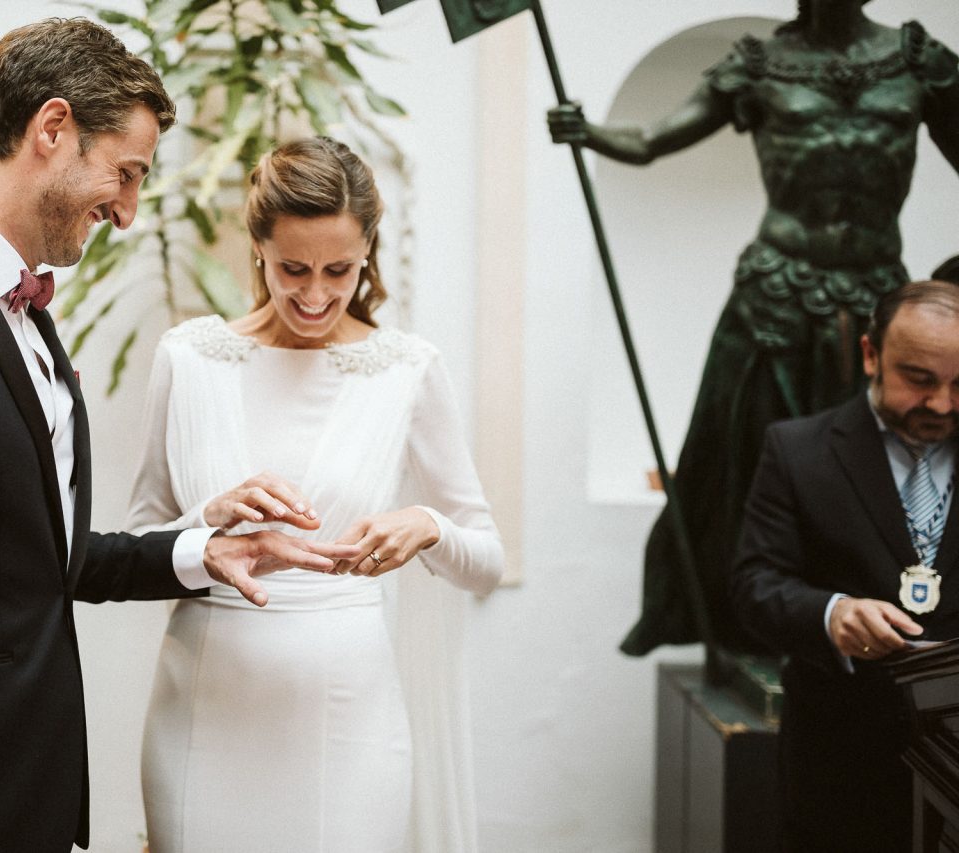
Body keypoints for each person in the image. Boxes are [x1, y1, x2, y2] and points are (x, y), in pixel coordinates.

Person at [0, 20, 357, 853]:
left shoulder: (26, 315)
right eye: (126, 173)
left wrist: (199, 549)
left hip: (26, 798)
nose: (126, 211)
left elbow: (35, 561)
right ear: (53, 129)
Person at [125, 136, 504, 852]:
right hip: (205, 707)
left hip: (348, 719)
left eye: (340, 269)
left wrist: (427, 523)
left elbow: (484, 558)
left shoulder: (406, 371)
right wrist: (208, 521)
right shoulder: (189, 358)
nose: (316, 293)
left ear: (367, 255)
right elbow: (136, 544)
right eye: (293, 269)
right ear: (258, 248)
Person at [548, 0, 959, 656]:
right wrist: (589, 132)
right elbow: (654, 138)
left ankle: (880, 621)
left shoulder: (916, 60)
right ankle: (750, 627)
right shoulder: (760, 63)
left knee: (881, 471)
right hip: (778, 290)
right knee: (741, 454)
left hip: (878, 290)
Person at [731, 279, 959, 852]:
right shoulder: (797, 450)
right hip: (839, 767)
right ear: (870, 355)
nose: (942, 405)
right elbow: (753, 585)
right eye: (920, 380)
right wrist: (832, 615)